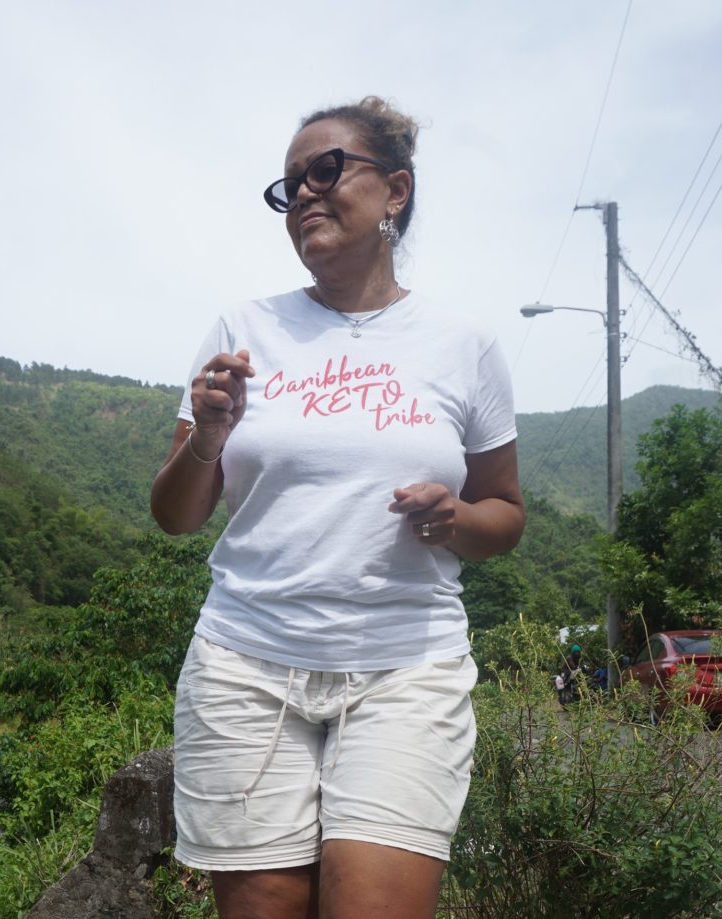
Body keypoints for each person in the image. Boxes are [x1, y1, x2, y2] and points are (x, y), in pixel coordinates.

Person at [150, 96, 525, 919]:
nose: (306, 195)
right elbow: (176, 514)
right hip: (244, 666)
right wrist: (206, 436)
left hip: (405, 666)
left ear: (396, 190)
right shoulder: (242, 328)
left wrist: (455, 517)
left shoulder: (462, 343)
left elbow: (505, 512)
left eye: (326, 170)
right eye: (289, 186)